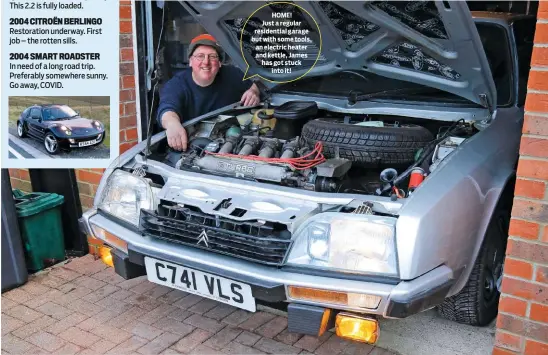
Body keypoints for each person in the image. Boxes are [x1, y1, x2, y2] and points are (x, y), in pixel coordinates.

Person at [156, 34, 261, 151]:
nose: (206, 62)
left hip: (230, 140)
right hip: (192, 147)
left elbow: (256, 83)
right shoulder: (177, 85)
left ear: (220, 63)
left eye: (212, 57)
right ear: (190, 61)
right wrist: (172, 124)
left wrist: (253, 91)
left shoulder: (231, 74)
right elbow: (167, 109)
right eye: (200, 56)